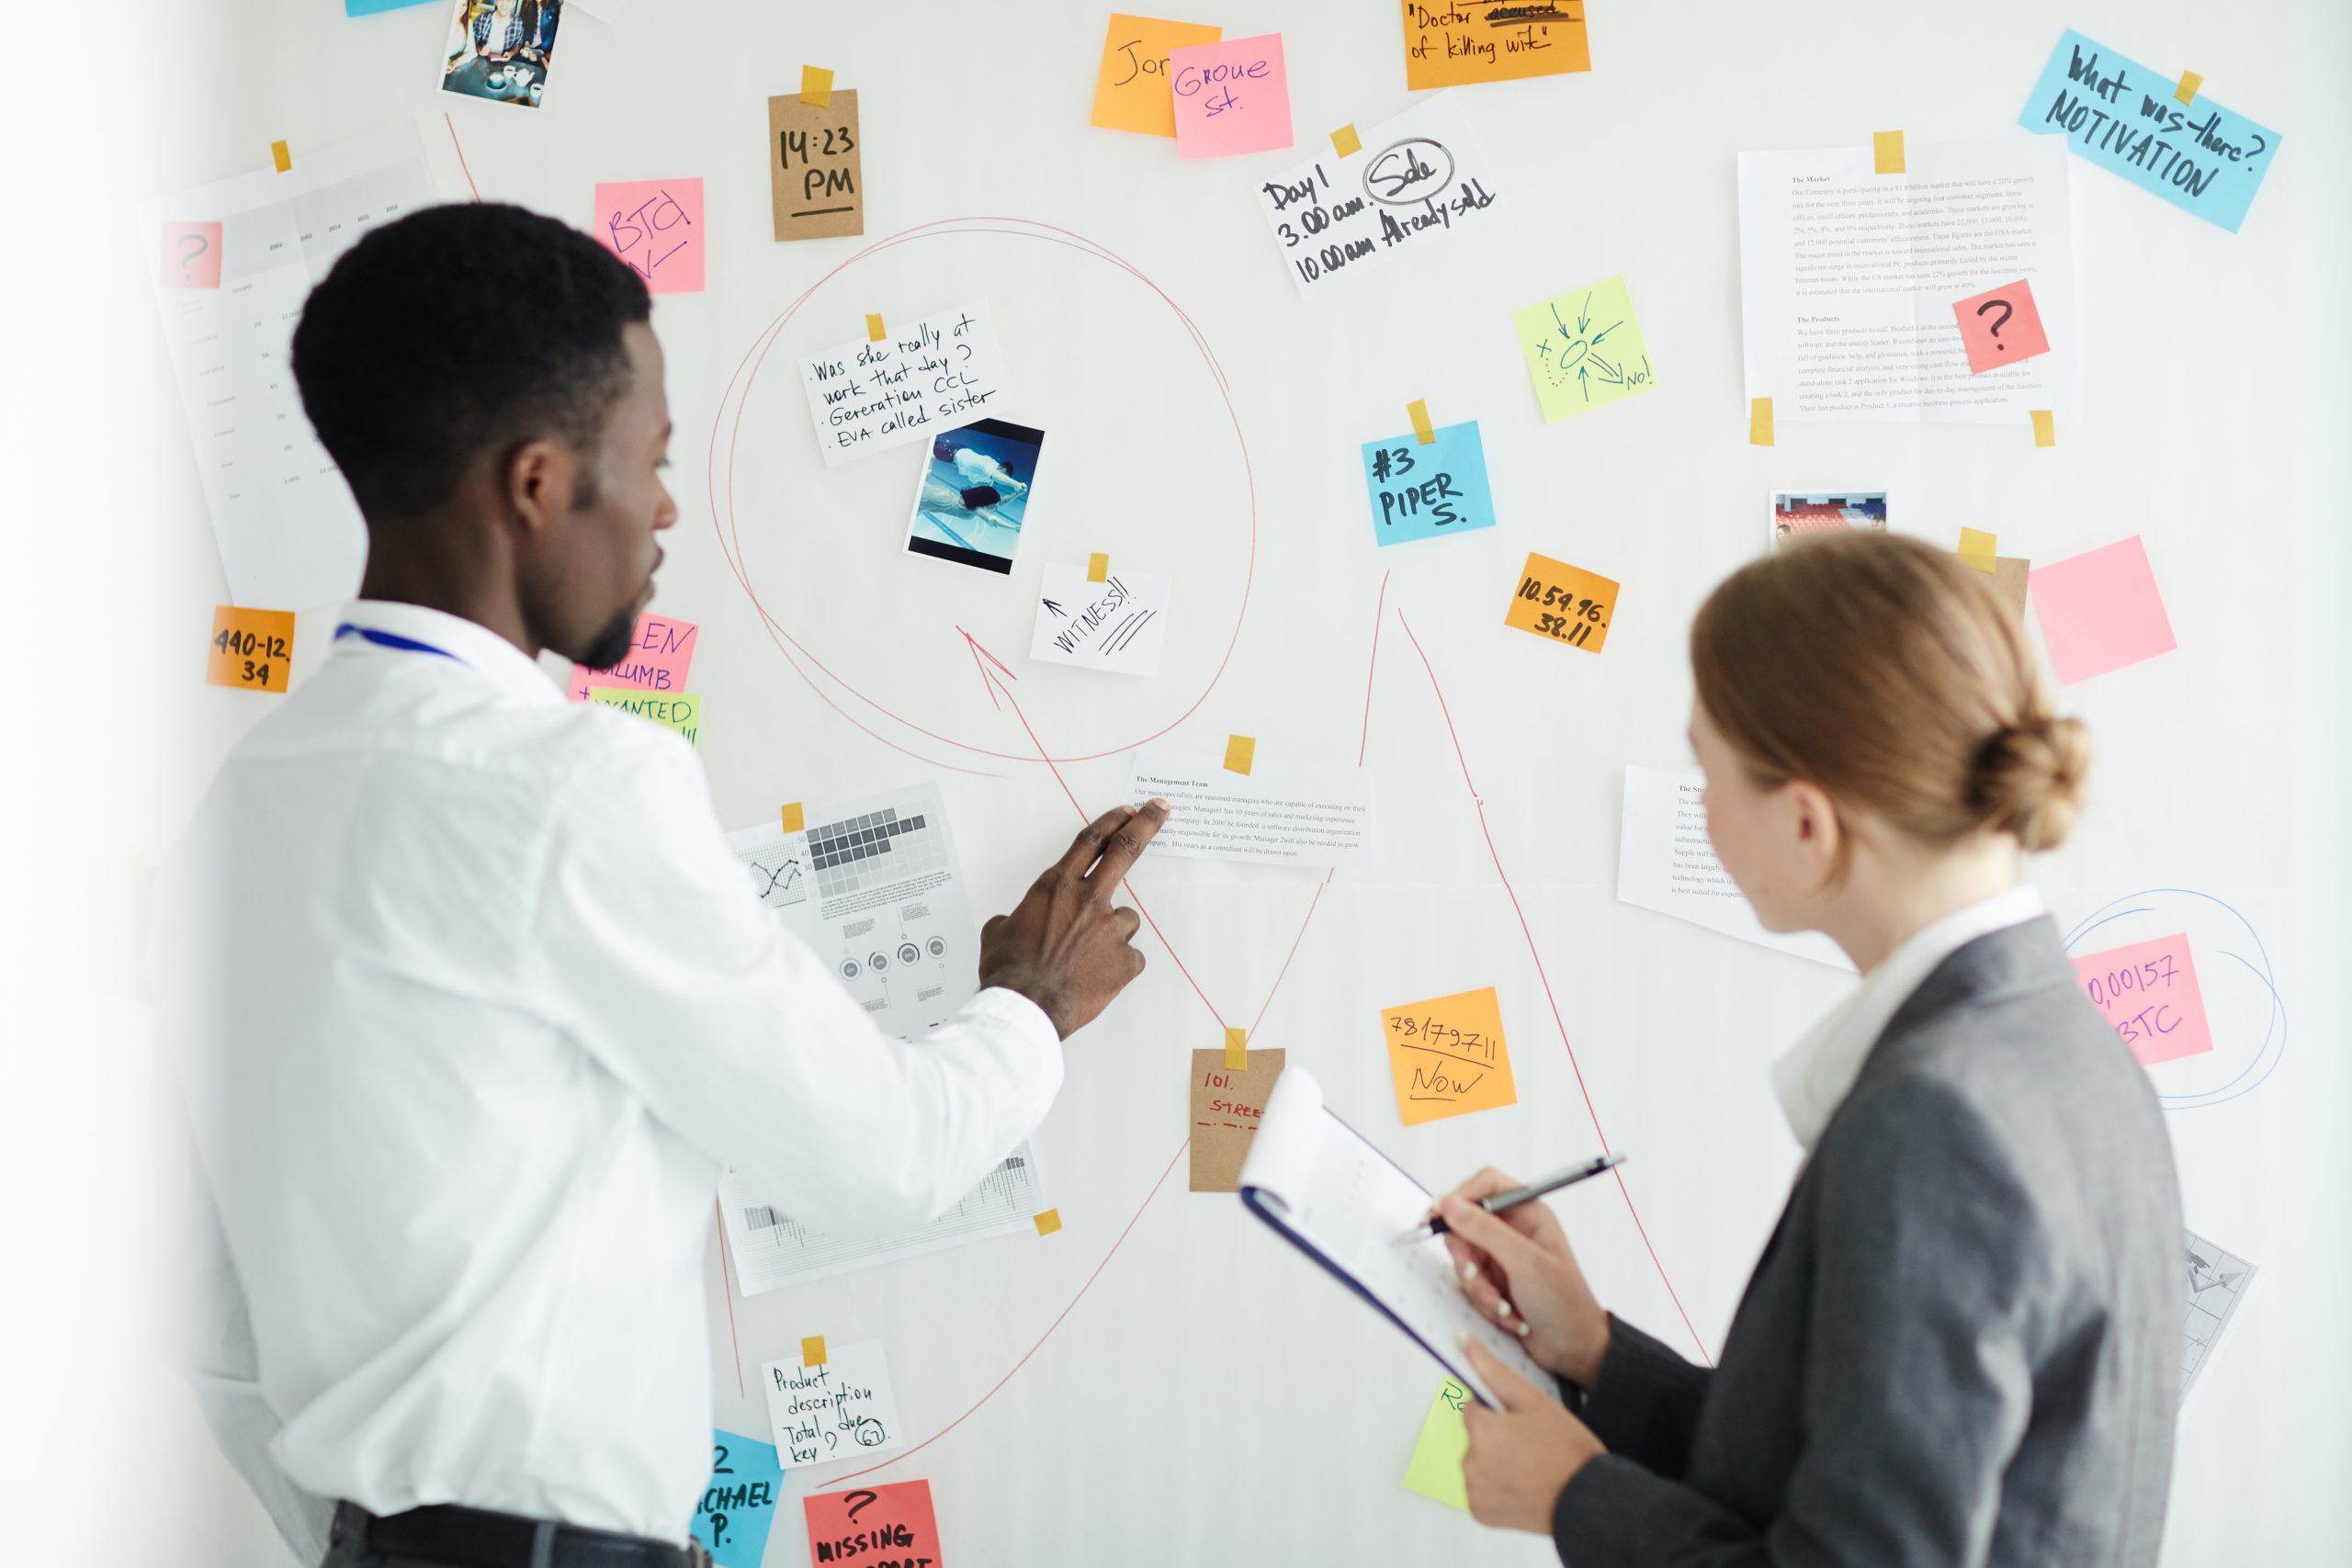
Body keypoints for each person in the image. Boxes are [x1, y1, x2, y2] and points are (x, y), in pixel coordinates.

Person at [151, 202, 1169, 1568]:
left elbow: (205, 1315)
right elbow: (889, 1151)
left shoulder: (233, 810)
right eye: (652, 457)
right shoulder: (570, 786)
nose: (668, 506)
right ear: (534, 483)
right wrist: (1028, 1005)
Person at [1435, 532, 2179, 1565]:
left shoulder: (1941, 1119)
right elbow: (1862, 1470)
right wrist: (1598, 1353)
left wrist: (1573, 1497)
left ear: (1804, 821)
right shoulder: (2062, 1045)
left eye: (1706, 773)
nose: (1697, 811)